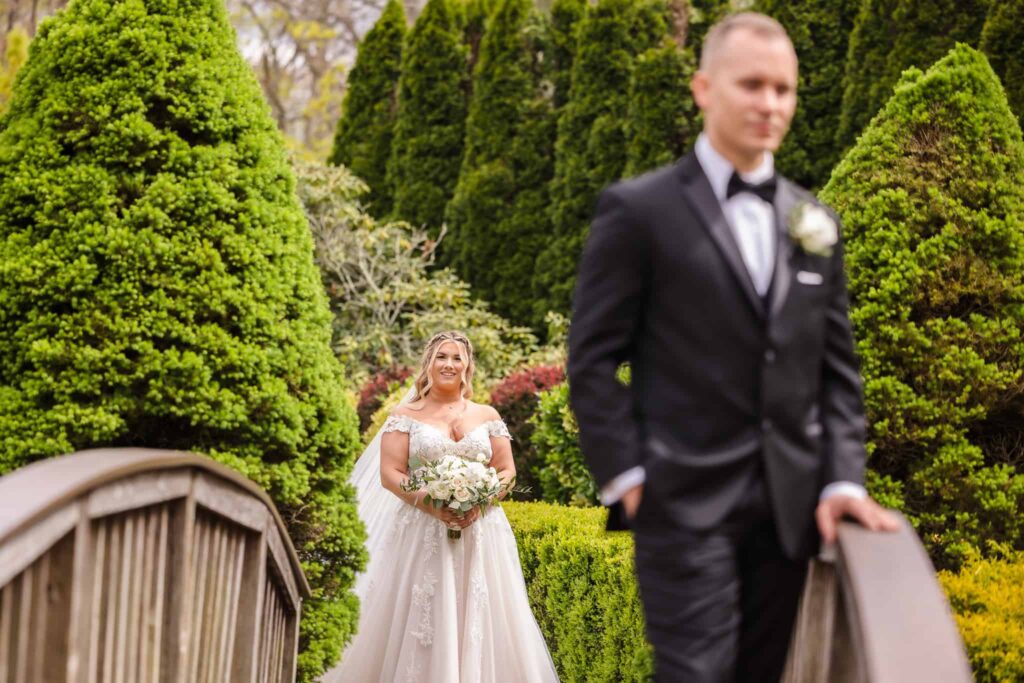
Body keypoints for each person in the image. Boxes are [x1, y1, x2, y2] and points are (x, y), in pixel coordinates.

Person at [567, 12, 900, 683]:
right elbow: (593, 358)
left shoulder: (815, 223)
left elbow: (836, 372)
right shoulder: (638, 211)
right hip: (679, 505)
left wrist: (841, 477)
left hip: (788, 512)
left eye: (784, 89)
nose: (770, 104)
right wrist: (630, 480)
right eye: (752, 85)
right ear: (703, 87)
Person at [324, 331, 559, 683]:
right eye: (441, 357)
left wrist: (481, 503)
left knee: (482, 613)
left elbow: (507, 471)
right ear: (429, 364)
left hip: (480, 531)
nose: (449, 364)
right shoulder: (405, 414)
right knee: (422, 613)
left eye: (456, 357)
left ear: (467, 366)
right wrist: (432, 506)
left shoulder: (487, 414)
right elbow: (390, 473)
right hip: (422, 529)